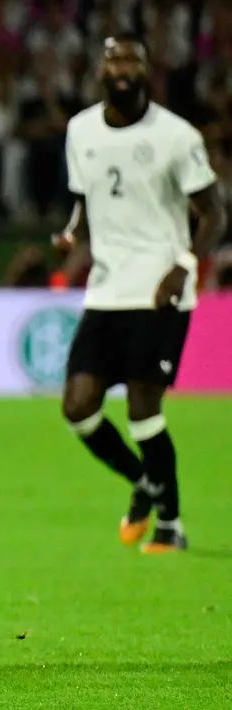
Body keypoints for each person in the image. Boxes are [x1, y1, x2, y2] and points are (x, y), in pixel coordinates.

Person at [58, 34, 227, 554]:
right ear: (100, 70)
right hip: (106, 288)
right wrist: (72, 235)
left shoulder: (177, 137)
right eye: (113, 59)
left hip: (158, 288)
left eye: (132, 60)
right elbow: (87, 201)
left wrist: (184, 266)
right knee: (78, 407)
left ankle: (171, 525)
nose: (122, 69)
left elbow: (214, 212)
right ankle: (143, 481)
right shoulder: (80, 130)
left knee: (142, 409)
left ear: (148, 71)